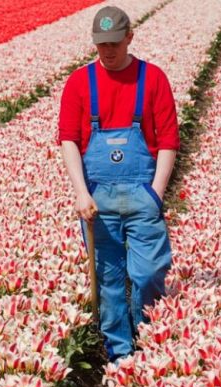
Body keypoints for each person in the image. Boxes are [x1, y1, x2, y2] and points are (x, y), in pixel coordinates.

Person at [58, 6, 180, 364]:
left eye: (113, 43)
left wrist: (155, 194)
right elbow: (68, 140)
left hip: (143, 192)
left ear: (130, 37)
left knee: (150, 271)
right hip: (98, 196)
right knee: (108, 278)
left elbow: (169, 140)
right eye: (101, 45)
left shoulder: (153, 78)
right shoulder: (80, 82)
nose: (107, 51)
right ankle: (120, 353)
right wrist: (81, 192)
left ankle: (146, 331)